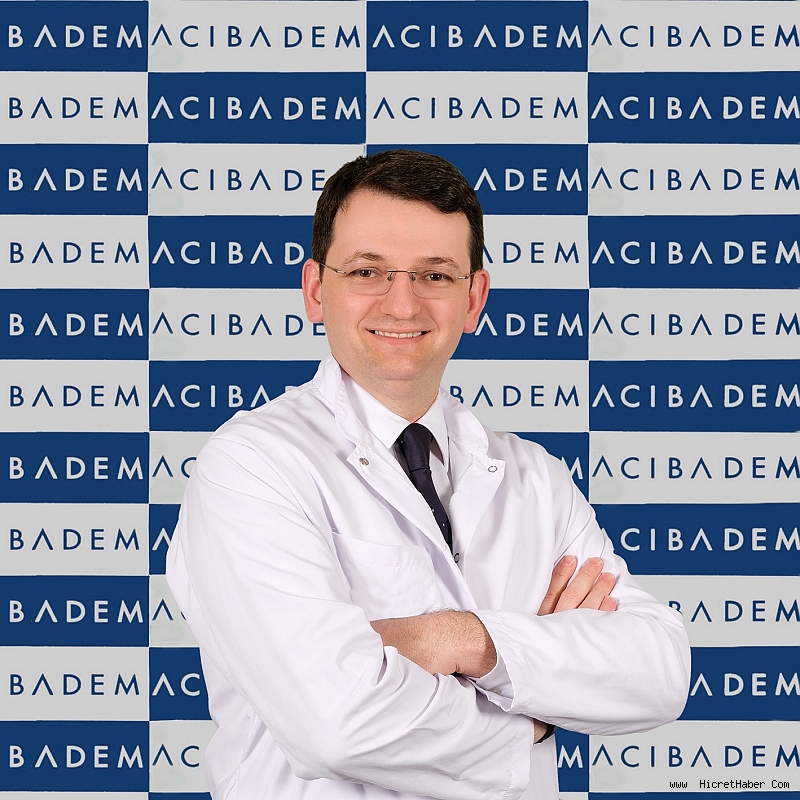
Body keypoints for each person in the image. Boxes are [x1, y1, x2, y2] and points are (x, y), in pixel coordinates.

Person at [166, 149, 690, 800]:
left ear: (474, 299)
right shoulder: (253, 466)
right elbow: (336, 726)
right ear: (315, 290)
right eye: (367, 271)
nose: (402, 303)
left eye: (435, 275)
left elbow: (658, 672)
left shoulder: (536, 478)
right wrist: (534, 712)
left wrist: (465, 638)